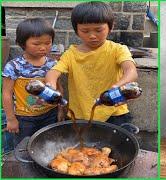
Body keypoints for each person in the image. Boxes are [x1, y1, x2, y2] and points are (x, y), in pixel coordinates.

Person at [45, 1, 138, 130]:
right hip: (80, 115)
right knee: (80, 149)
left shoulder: (118, 50)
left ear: (110, 27)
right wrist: (50, 86)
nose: (92, 36)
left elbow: (131, 71)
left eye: (98, 30)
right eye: (85, 31)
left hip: (115, 113)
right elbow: (53, 72)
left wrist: (118, 86)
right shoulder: (71, 53)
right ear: (76, 30)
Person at [2, 18, 64, 146]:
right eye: (36, 44)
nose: (43, 48)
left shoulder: (53, 64)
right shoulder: (14, 66)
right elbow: (6, 94)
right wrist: (11, 118)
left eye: (48, 43)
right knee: (24, 147)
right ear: (22, 43)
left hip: (49, 114)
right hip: (25, 118)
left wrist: (60, 110)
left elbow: (59, 88)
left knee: (49, 145)